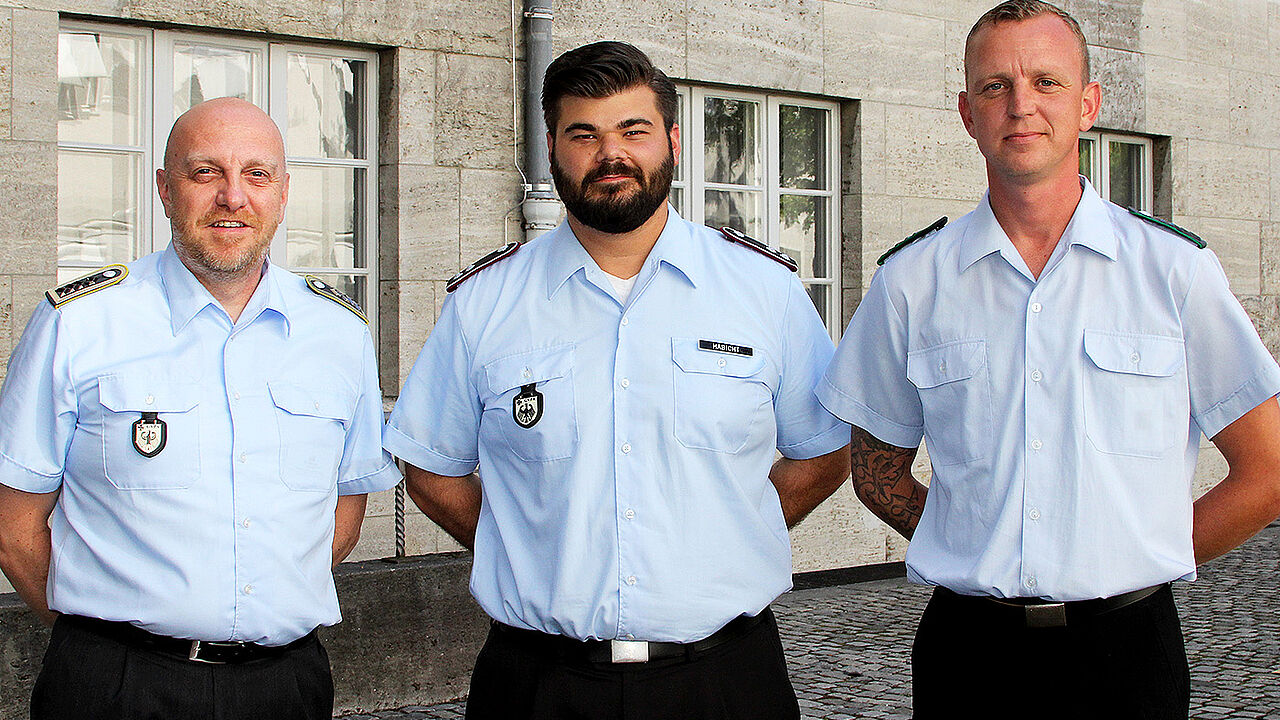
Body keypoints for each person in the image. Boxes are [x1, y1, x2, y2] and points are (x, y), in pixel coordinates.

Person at [817, 1, 1280, 717]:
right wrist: (972, 537)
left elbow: (1269, 470)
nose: (1021, 105)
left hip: (1127, 652)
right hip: (970, 654)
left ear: (1089, 104)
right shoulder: (912, 281)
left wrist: (1143, 551)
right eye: (996, 86)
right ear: (968, 114)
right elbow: (876, 474)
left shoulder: (1172, 271)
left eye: (1047, 81)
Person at [383, 41, 851, 719]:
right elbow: (431, 468)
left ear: (672, 140)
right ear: (552, 150)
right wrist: (525, 546)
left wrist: (733, 531)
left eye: (633, 130)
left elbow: (825, 451)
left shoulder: (763, 290)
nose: (611, 154)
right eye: (584, 134)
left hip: (724, 680)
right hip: (540, 684)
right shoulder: (487, 303)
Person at [0, 97, 400, 720]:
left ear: (284, 192)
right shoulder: (80, 324)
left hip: (284, 686)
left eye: (256, 175)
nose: (232, 197)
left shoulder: (338, 333)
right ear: (164, 188)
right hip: (116, 688)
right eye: (205, 172)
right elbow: (14, 526)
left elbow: (342, 519)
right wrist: (111, 636)